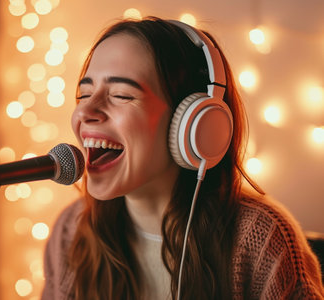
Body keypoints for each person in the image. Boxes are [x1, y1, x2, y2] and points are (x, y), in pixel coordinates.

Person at [42, 16, 324, 299]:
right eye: (85, 93)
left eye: (121, 95)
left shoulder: (260, 239)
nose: (85, 112)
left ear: (194, 125)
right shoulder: (71, 230)